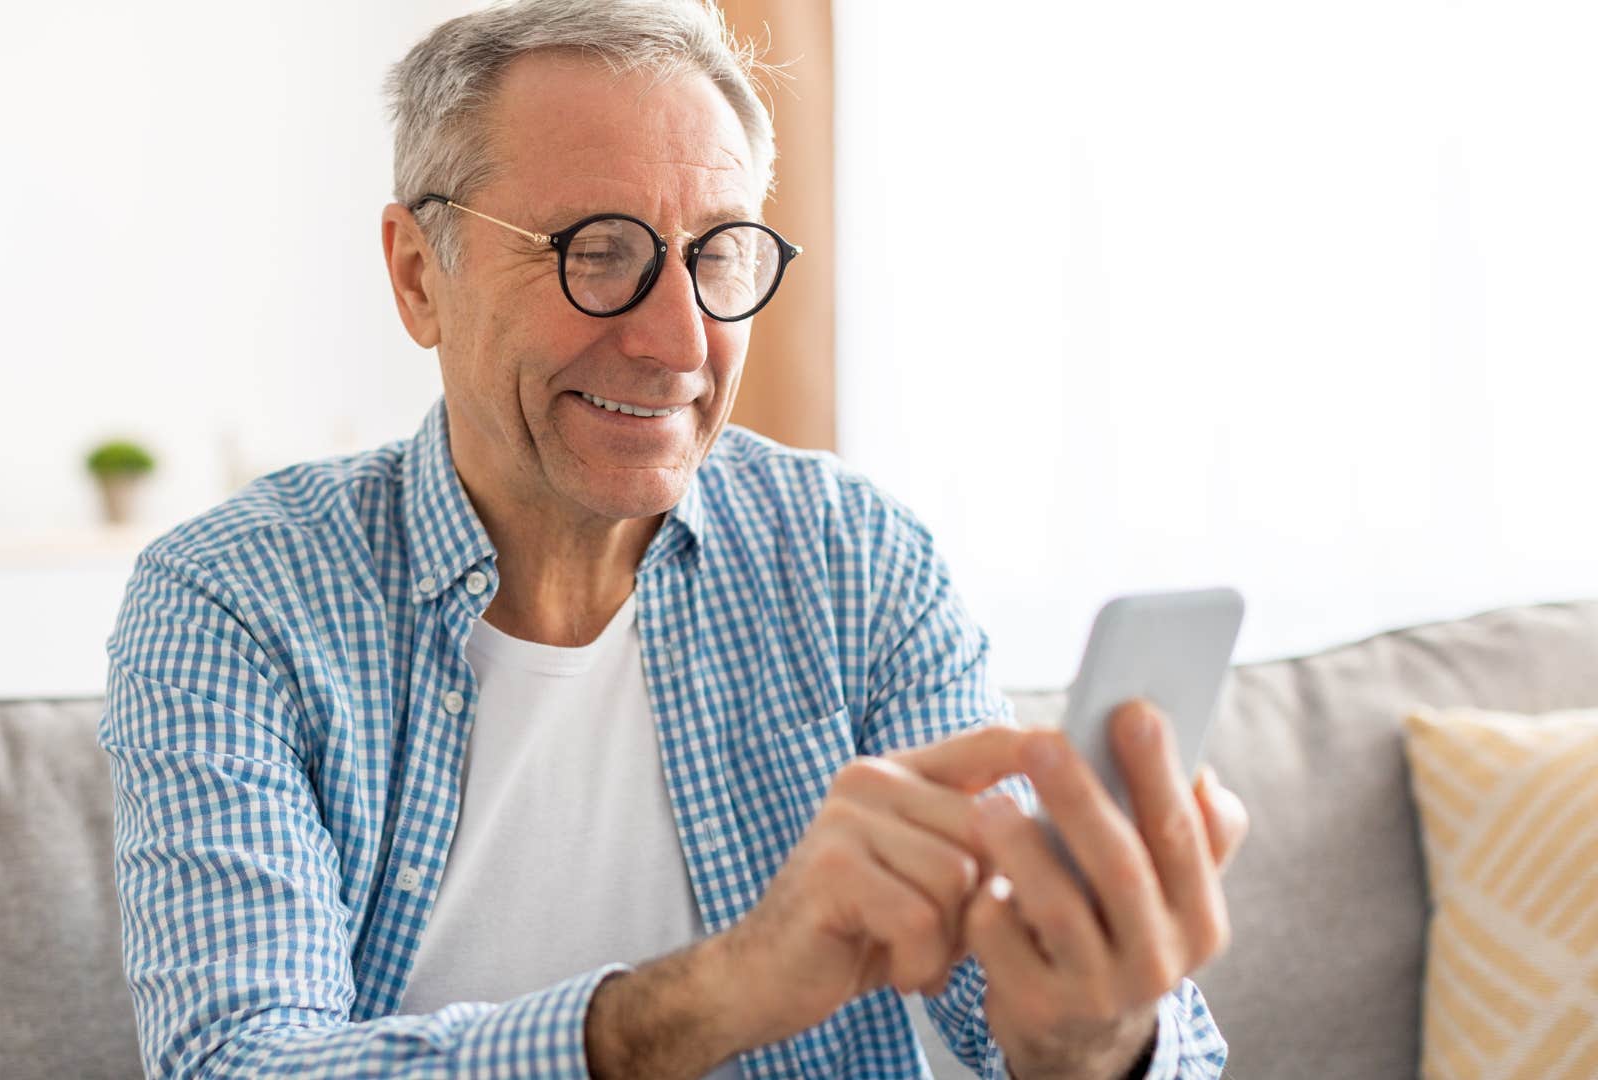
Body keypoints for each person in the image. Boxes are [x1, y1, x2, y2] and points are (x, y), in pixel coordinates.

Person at [99, 1, 1250, 1077]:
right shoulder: (234, 597)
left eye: (718, 254)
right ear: (418, 277)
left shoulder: (854, 559)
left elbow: (1089, 1027)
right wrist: (724, 992)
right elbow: (242, 1059)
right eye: (597, 251)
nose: (680, 342)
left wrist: (1095, 1041)